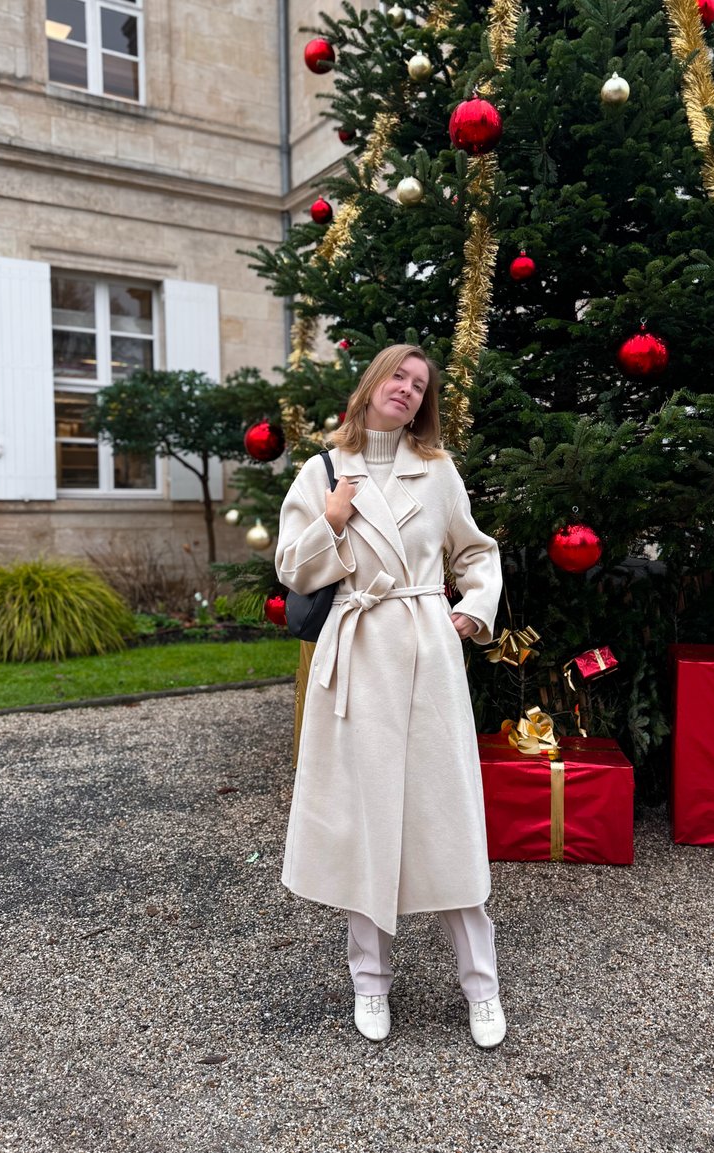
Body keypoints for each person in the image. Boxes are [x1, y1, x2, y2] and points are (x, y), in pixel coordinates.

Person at [275, 344, 505, 1048]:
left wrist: (474, 607)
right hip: (358, 657)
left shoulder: (436, 470)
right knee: (364, 824)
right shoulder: (321, 472)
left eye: (420, 384)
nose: (407, 389)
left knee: (449, 819)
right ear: (372, 382)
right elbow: (291, 566)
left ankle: (482, 987)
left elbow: (477, 552)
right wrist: (335, 516)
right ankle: (369, 982)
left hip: (427, 653)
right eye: (398, 376)